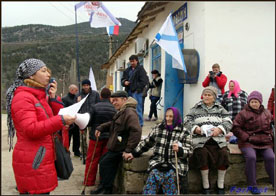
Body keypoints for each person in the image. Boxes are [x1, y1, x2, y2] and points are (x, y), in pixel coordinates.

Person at [6, 58, 76, 194]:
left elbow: (52, 119)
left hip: (41, 158)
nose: (48, 74)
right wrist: (61, 120)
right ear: (31, 75)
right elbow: (31, 129)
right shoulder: (23, 98)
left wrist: (53, 97)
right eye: (43, 71)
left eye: (48, 71)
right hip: (34, 160)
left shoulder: (39, 96)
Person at [128, 107, 193, 194]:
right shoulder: (159, 128)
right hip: (158, 162)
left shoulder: (184, 132)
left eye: (171, 116)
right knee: (153, 175)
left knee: (170, 176)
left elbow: (189, 151)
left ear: (176, 117)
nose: (168, 119)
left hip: (175, 164)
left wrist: (180, 150)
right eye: (166, 116)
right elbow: (147, 142)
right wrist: (134, 153)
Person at [91, 91, 142, 194]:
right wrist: (101, 127)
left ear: (124, 99)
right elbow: (113, 124)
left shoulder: (129, 112)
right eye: (112, 101)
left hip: (121, 148)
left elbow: (136, 131)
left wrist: (128, 150)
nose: (114, 103)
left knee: (105, 163)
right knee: (103, 161)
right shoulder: (123, 110)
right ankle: (103, 186)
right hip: (116, 146)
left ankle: (107, 189)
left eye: (116, 100)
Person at [184, 86, 233, 194]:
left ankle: (220, 185)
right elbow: (187, 120)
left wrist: (219, 129)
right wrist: (195, 129)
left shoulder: (220, 109)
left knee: (223, 153)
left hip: (217, 140)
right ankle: (205, 186)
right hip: (201, 140)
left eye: (209, 95)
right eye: (205, 95)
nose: (206, 97)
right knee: (202, 153)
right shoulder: (196, 108)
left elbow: (228, 121)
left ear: (214, 97)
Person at [232, 91, 274, 194]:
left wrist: (270, 136)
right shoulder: (243, 113)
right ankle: (252, 185)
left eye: (256, 101)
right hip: (248, 142)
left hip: (264, 142)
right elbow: (235, 127)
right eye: (252, 102)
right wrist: (247, 137)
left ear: (260, 102)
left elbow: (271, 127)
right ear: (249, 102)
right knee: (251, 157)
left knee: (271, 157)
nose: (254, 104)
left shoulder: (267, 113)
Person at [83, 88, 117, 186]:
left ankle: (89, 182)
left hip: (95, 137)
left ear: (101, 96)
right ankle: (103, 182)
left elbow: (88, 122)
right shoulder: (114, 109)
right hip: (108, 138)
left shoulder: (94, 107)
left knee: (92, 160)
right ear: (110, 97)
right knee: (104, 161)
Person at [121, 54, 149, 127]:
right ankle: (130, 122)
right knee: (128, 108)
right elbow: (122, 79)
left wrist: (137, 89)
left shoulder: (141, 69)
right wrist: (124, 82)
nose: (132, 63)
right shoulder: (127, 70)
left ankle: (140, 124)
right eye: (130, 61)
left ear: (137, 61)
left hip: (137, 92)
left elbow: (144, 81)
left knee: (138, 108)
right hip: (128, 91)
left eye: (133, 61)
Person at [77, 79, 100, 164]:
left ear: (90, 85)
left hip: (92, 119)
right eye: (84, 85)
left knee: (92, 137)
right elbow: (76, 107)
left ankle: (92, 154)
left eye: (87, 85)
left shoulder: (95, 94)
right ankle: (84, 154)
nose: (86, 87)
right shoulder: (79, 95)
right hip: (82, 119)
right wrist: (78, 102)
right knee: (82, 138)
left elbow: (98, 105)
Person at [62, 84, 81, 157]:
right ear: (71, 90)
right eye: (76, 90)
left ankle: (76, 151)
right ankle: (66, 151)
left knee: (76, 137)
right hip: (68, 121)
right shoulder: (65, 99)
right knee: (68, 137)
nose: (77, 92)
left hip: (75, 120)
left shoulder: (76, 98)